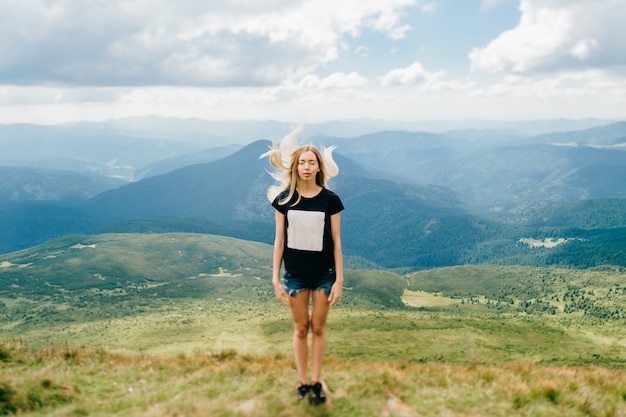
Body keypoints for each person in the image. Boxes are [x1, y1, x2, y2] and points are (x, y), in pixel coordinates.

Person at [261, 126, 344, 406]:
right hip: (294, 276)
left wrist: (340, 280)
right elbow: (279, 241)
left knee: (318, 329)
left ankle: (317, 382)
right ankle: (302, 382)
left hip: (324, 276)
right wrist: (275, 279)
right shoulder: (283, 200)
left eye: (311, 162)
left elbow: (336, 241)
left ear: (319, 166)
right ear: (295, 167)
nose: (306, 167)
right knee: (300, 329)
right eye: (302, 162)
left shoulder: (330, 201)